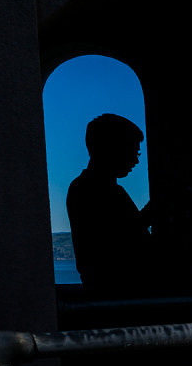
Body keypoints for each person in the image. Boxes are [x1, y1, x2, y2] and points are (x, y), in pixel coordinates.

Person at [67, 113, 156, 297]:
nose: (136, 160)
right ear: (112, 148)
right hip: (118, 294)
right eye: (133, 151)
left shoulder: (83, 187)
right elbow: (121, 241)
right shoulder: (95, 190)